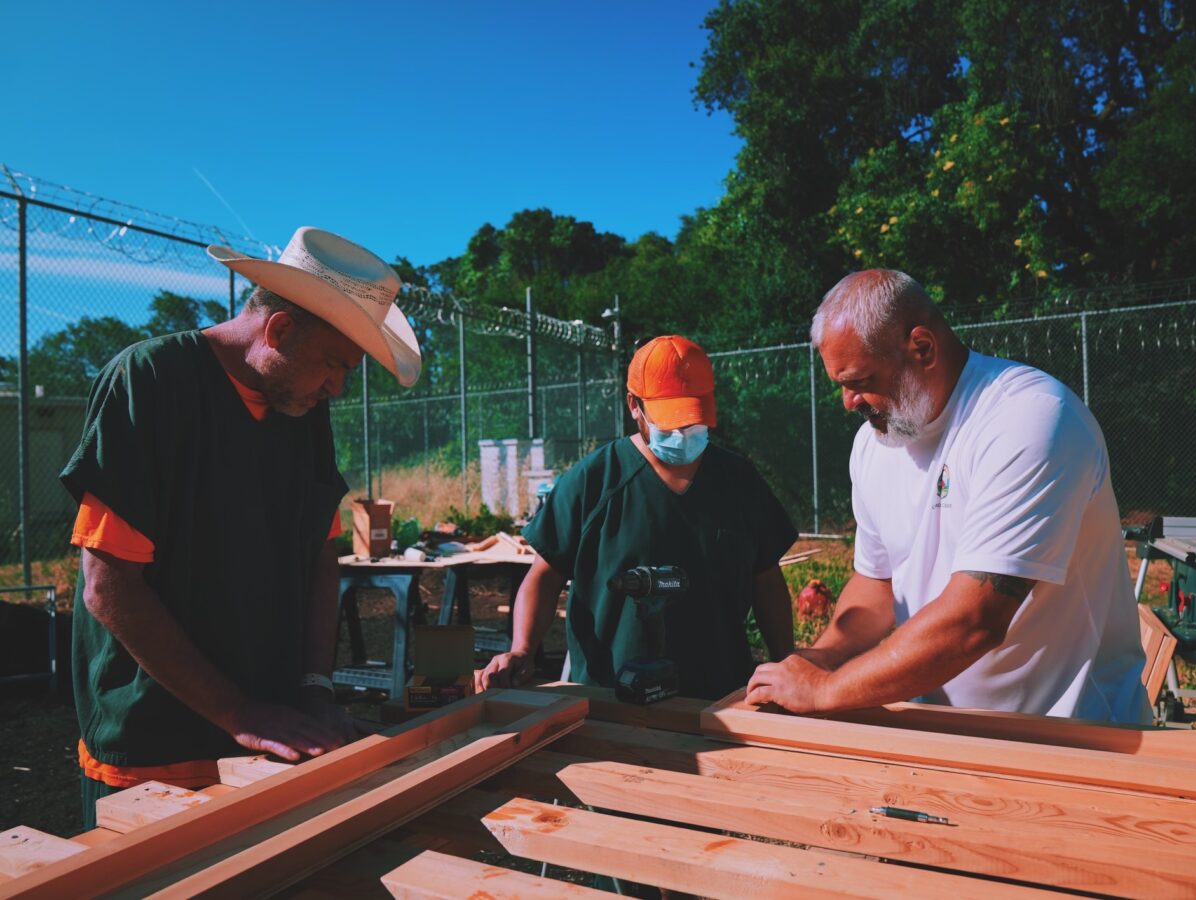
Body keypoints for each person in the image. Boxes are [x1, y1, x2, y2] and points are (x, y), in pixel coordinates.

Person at [61, 227, 422, 827]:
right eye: (333, 363)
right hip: (158, 747)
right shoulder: (150, 381)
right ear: (278, 330)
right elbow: (109, 586)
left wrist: (314, 691)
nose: (337, 385)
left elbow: (320, 555)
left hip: (272, 736)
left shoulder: (301, 406)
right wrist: (238, 711)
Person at [747, 269, 1150, 724]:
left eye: (859, 380)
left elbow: (975, 620)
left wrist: (825, 690)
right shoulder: (875, 443)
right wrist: (824, 658)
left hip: (1074, 736)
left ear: (922, 348)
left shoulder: (1028, 418)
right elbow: (877, 583)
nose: (848, 401)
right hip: (948, 733)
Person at [477, 335, 797, 701]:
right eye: (670, 421)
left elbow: (767, 579)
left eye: (692, 420)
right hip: (609, 697)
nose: (682, 433)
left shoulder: (738, 481)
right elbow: (544, 575)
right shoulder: (594, 481)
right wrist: (521, 649)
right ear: (634, 406)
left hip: (721, 696)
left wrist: (785, 659)